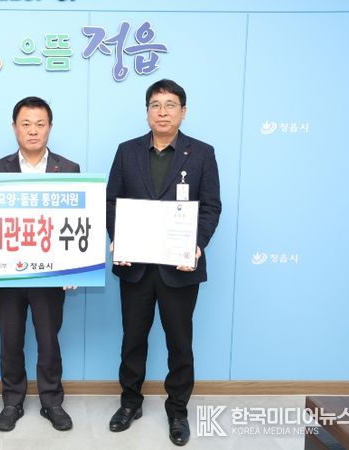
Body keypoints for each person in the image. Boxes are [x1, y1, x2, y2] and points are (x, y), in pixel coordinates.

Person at [106, 79, 221, 446]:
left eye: (170, 105)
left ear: (183, 112)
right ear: (147, 112)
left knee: (179, 343)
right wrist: (118, 238)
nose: (162, 112)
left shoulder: (201, 153)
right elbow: (112, 202)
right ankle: (130, 403)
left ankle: (178, 410)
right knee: (133, 340)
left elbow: (211, 206)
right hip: (136, 267)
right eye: (155, 105)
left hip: (179, 269)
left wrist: (196, 245)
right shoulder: (127, 151)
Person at [0, 96, 79, 432]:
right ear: (14, 127)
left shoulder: (69, 169)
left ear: (50, 127)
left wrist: (74, 265)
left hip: (50, 274)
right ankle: (12, 401)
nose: (33, 130)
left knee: (48, 341)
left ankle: (52, 401)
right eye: (25, 124)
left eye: (40, 124)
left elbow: (76, 220)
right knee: (10, 341)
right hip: (9, 274)